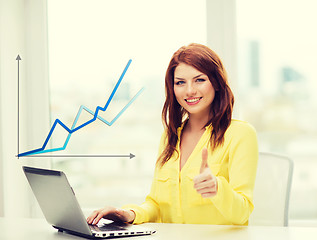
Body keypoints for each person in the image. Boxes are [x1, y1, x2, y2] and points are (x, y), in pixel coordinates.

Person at [87, 43, 258, 226]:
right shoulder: (170, 137)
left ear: (216, 83)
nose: (190, 90)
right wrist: (128, 214)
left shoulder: (240, 134)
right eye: (180, 82)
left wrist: (217, 188)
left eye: (199, 80)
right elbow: (157, 205)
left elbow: (242, 213)